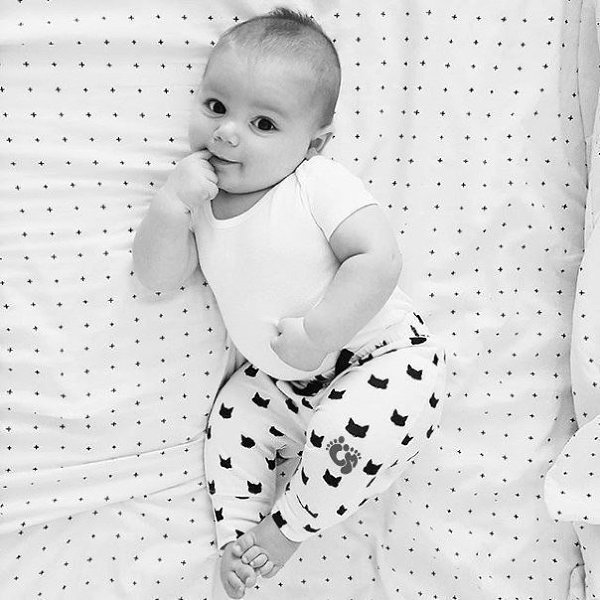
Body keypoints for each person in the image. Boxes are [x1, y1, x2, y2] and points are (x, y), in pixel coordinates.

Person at [133, 7, 446, 599]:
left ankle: (286, 529)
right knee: (231, 416)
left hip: (381, 357)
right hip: (280, 381)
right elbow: (157, 278)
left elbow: (378, 258)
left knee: (358, 430)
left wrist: (321, 332)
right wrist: (170, 206)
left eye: (263, 123)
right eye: (216, 107)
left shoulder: (315, 182)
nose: (227, 133)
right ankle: (238, 536)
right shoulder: (201, 201)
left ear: (313, 143)